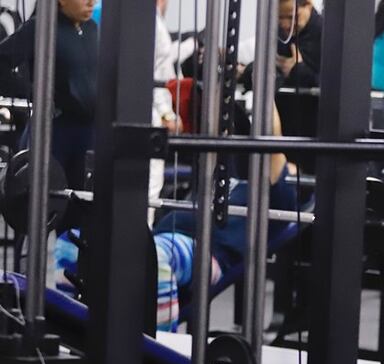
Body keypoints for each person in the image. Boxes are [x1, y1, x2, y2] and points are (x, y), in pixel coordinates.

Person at [55, 110, 301, 332]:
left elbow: (272, 139)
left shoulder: (277, 197)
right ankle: (72, 331)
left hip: (207, 255)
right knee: (72, 240)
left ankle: (158, 350)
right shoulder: (230, 181)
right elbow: (214, 131)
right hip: (159, 238)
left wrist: (265, 81)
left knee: (157, 256)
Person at [0, 0, 97, 225]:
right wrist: (35, 92)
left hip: (87, 135)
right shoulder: (40, 28)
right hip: (54, 133)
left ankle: (70, 258)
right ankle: (32, 258)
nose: (91, 1)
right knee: (38, 211)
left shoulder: (92, 30)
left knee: (80, 210)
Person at [241, 0, 323, 91]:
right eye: (279, 17)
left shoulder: (327, 35)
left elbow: (331, 86)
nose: (285, 25)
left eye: (292, 17)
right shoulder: (277, 31)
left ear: (308, 5)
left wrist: (297, 70)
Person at [150, 0, 180, 228]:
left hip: (146, 114)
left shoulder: (154, 21)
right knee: (147, 191)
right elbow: (156, 73)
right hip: (150, 119)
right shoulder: (152, 24)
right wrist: (167, 114)